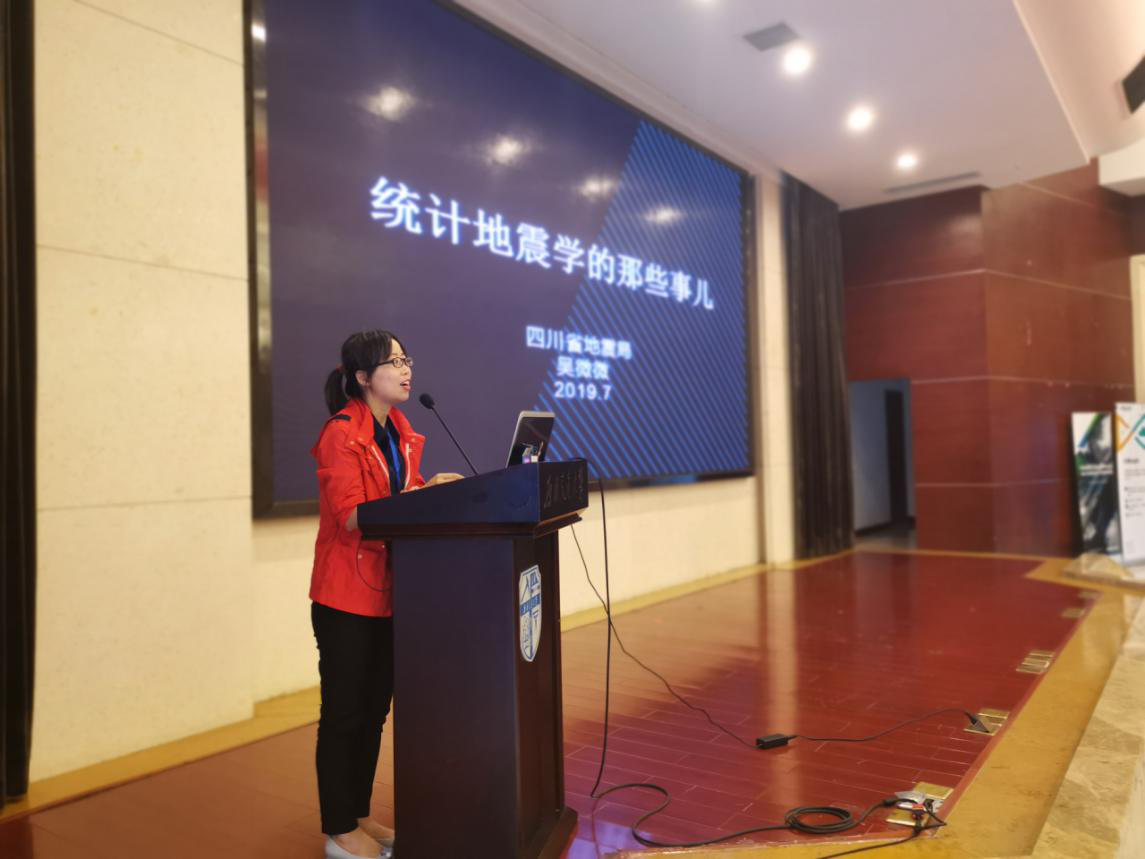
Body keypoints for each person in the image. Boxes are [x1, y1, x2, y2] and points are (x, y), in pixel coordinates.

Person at [310, 329, 462, 858]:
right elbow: (352, 515)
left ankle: (359, 814)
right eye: (392, 362)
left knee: (373, 712)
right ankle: (338, 826)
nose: (405, 370)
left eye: (406, 359)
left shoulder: (399, 430)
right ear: (361, 377)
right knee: (344, 714)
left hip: (391, 592)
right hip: (345, 596)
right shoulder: (341, 433)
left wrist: (425, 490)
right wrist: (417, 498)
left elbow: (394, 500)